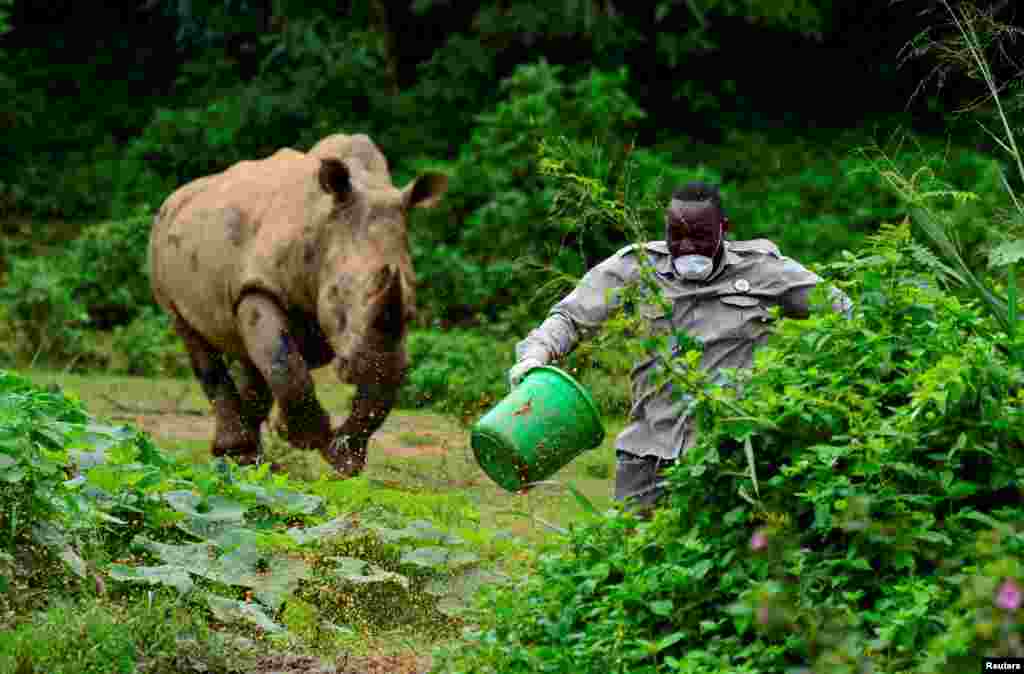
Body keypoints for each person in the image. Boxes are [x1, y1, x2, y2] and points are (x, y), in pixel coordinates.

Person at [509, 182, 853, 516]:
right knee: (631, 559)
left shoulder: (764, 269)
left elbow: (844, 312)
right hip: (647, 454)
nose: (687, 246)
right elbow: (571, 317)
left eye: (700, 235)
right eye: (677, 234)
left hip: (729, 457)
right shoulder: (638, 267)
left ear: (724, 229)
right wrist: (534, 357)